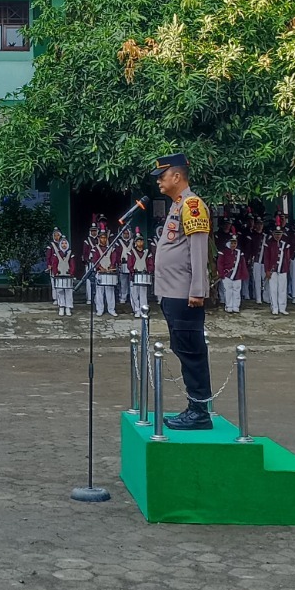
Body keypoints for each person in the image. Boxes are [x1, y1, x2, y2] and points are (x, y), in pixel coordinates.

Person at [150, 153, 213, 431]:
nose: (159, 182)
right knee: (183, 349)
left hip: (186, 295)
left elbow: (199, 251)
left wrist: (198, 290)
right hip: (172, 293)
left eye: (162, 177)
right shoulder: (177, 206)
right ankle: (194, 406)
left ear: (176, 177)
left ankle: (200, 411)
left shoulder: (192, 205)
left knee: (192, 352)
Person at [45, 229, 75, 318]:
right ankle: (61, 307)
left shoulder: (71, 253)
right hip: (59, 276)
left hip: (68, 276)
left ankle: (68, 307)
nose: (64, 245)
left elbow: (73, 264)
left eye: (65, 243)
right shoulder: (56, 254)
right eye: (62, 243)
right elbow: (54, 264)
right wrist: (55, 273)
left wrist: (71, 273)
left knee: (68, 292)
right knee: (60, 291)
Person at [264, 224, 291, 316]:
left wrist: (287, 268)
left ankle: (282, 307)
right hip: (272, 270)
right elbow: (266, 258)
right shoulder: (269, 244)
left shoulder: (285, 244)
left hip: (283, 269)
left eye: (279, 234)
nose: (277, 236)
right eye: (276, 234)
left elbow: (287, 258)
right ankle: (274, 307)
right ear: (273, 234)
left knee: (282, 289)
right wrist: (267, 270)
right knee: (273, 289)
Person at [126, 231, 154, 320]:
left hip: (143, 276)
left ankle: (143, 311)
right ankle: (136, 310)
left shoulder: (147, 253)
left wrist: (148, 271)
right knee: (134, 294)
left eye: (141, 241)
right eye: (138, 241)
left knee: (143, 295)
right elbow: (129, 264)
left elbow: (151, 264)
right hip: (134, 276)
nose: (140, 243)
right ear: (135, 243)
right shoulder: (131, 252)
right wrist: (132, 271)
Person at [215, 234, 246, 314]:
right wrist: (221, 273)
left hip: (237, 275)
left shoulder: (239, 252)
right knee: (228, 291)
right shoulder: (224, 251)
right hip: (227, 274)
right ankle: (228, 305)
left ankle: (236, 306)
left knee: (236, 291)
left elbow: (242, 264)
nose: (233, 245)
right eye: (232, 243)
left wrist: (242, 274)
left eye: (235, 243)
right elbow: (220, 263)